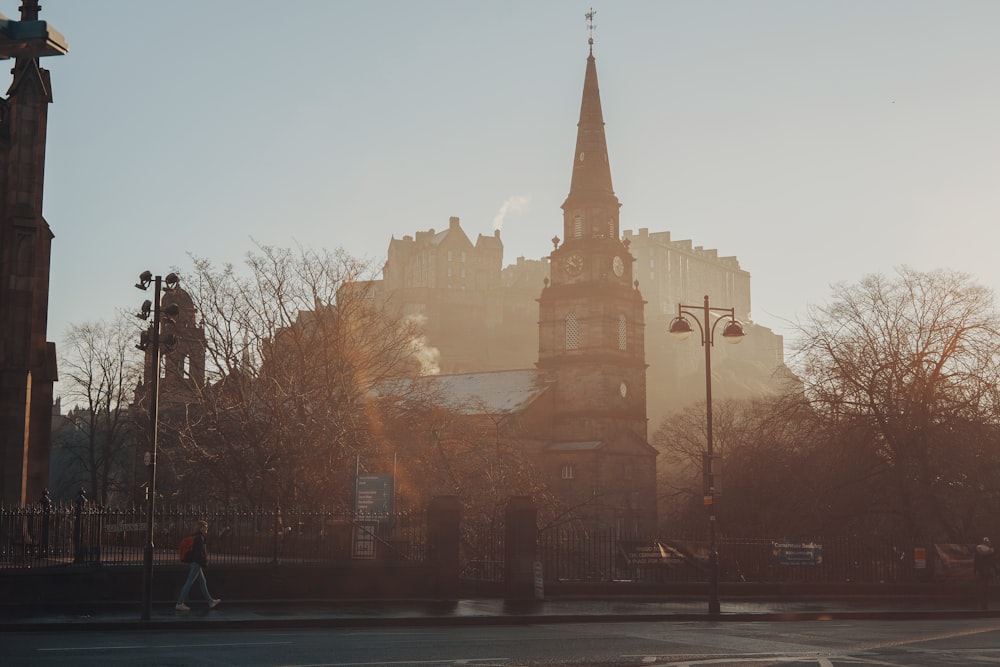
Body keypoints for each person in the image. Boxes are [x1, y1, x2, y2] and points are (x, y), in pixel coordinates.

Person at [175, 520, 221, 611]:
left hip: (194, 562)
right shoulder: (200, 538)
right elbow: (199, 553)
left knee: (202, 582)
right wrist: (203, 562)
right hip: (197, 563)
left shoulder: (195, 536)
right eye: (205, 527)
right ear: (201, 528)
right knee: (189, 582)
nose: (207, 528)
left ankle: (210, 601)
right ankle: (179, 603)